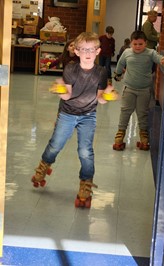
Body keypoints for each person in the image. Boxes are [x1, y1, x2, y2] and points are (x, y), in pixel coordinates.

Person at [32, 32, 118, 208]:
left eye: (91, 49)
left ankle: (86, 184)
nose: (87, 53)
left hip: (88, 116)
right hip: (68, 114)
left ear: (98, 51)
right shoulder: (70, 69)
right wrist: (60, 90)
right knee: (55, 144)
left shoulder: (101, 72)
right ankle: (43, 165)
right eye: (83, 49)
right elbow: (68, 95)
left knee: (85, 151)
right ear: (77, 51)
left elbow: (100, 98)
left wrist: (108, 96)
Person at [113, 30, 164, 151]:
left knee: (142, 114)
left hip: (144, 90)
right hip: (129, 88)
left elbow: (158, 58)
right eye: (135, 44)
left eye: (140, 44)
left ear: (146, 43)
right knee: (125, 111)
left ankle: (144, 138)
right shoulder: (127, 52)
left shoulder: (150, 53)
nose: (137, 46)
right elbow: (121, 64)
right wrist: (118, 74)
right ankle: (120, 136)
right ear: (131, 43)